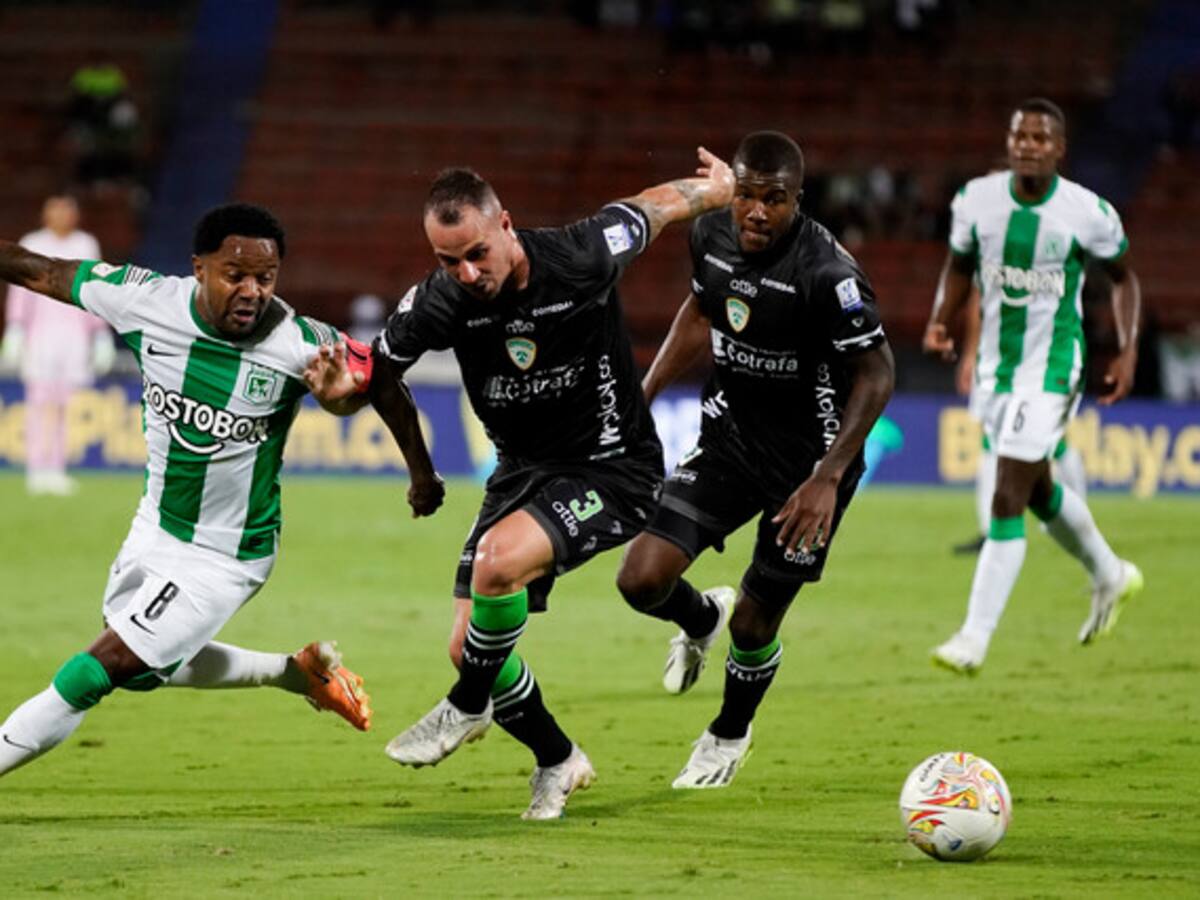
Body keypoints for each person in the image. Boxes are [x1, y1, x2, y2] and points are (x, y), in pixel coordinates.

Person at [311, 150, 735, 819]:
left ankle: (468, 707)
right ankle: (558, 759)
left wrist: (717, 191)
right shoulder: (441, 299)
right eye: (449, 260)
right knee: (467, 645)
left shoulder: (581, 255)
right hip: (520, 472)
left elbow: (658, 206)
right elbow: (370, 378)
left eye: (477, 252)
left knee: (496, 568)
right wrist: (403, 456)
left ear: (505, 224)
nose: (466, 273)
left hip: (612, 467)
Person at [0, 203, 443, 780]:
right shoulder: (145, 300)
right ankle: (298, 673)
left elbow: (377, 380)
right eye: (236, 275)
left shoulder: (301, 342)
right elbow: (39, 270)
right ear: (199, 269)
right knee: (142, 666)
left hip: (229, 553)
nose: (253, 291)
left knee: (97, 669)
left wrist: (416, 468)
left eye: (266, 278)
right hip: (155, 526)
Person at [613, 131, 895, 789]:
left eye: (775, 199)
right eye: (746, 195)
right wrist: (644, 393)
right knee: (640, 580)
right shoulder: (710, 236)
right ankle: (697, 619)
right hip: (730, 438)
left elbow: (878, 375)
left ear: (798, 199)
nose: (757, 212)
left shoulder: (828, 275)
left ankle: (728, 735)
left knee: (755, 618)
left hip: (809, 468)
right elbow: (702, 308)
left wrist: (828, 477)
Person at [923, 98, 1143, 674]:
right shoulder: (976, 201)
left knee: (1006, 497)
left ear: (1059, 149)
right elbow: (958, 266)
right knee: (1041, 491)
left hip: (1052, 369)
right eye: (1021, 136)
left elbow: (1124, 280)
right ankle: (1109, 574)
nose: (1029, 145)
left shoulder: (1087, 212)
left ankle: (973, 638)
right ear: (1010, 140)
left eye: (1042, 138)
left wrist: (1126, 347)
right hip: (997, 371)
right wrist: (941, 320)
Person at [950, 284, 1089, 556]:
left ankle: (1081, 521)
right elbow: (978, 302)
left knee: (1053, 442)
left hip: (1040, 362)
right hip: (997, 361)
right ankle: (989, 530)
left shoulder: (1045, 255)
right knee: (991, 439)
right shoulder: (993, 253)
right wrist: (970, 354)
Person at [2, 195, 113, 495]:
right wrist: (15, 328)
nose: (61, 216)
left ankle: (58, 467)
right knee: (39, 402)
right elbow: (21, 287)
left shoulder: (85, 245)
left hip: (74, 335)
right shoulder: (33, 241)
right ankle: (37, 468)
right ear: (45, 215)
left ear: (75, 215)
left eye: (67, 211)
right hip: (41, 334)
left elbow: (94, 288)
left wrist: (100, 333)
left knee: (65, 404)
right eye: (55, 211)